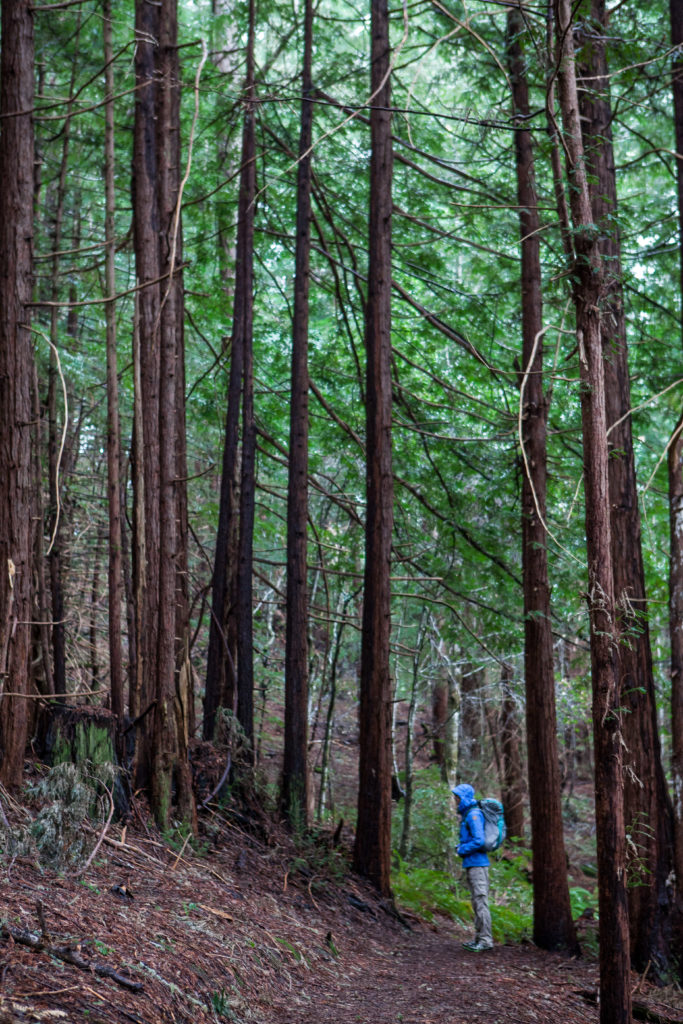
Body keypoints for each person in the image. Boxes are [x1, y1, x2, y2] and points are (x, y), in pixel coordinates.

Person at [452, 783, 493, 952]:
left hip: (478, 864)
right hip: (472, 864)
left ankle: (485, 940)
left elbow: (479, 840)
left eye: (457, 797)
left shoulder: (474, 814)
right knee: (476, 902)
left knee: (481, 901)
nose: (455, 800)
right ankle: (479, 938)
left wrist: (461, 849)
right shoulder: (468, 814)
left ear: (464, 798)